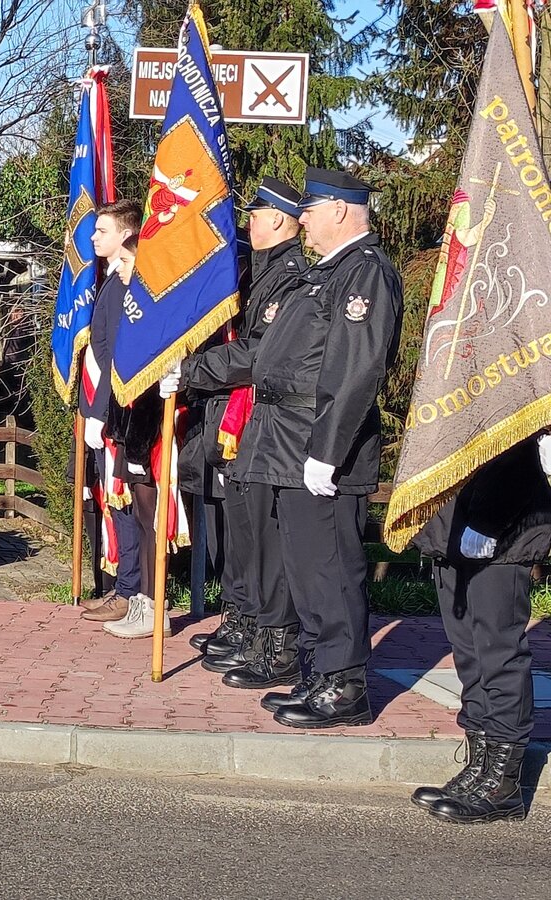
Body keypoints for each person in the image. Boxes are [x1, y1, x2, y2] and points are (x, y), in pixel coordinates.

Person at [224, 167, 403, 728]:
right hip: (288, 439)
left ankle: (345, 685)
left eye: (312, 208)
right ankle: (320, 672)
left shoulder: (365, 272)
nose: (302, 218)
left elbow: (356, 368)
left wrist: (326, 450)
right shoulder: (323, 274)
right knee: (305, 567)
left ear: (343, 211)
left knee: (330, 566)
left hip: (321, 443)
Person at [164, 176, 308, 686]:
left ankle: (271, 637)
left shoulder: (290, 278)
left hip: (259, 420)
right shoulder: (256, 272)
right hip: (238, 417)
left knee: (260, 538)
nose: (247, 221)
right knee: (240, 534)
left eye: (255, 213)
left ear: (278, 220)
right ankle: (245, 621)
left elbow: (259, 353)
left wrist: (192, 368)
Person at [409, 435, 551, 823]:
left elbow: (517, 444)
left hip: (504, 525)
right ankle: (479, 766)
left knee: (498, 652)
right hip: (452, 519)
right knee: (469, 651)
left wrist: (489, 520)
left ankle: (503, 784)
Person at [78, 200, 161, 636]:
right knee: (118, 500)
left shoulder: (128, 285)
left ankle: (132, 591)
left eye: (102, 230)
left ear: (127, 235)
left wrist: (98, 409)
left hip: (127, 411)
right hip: (111, 410)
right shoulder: (110, 280)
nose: (93, 238)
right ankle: (127, 590)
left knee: (129, 503)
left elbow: (116, 353)